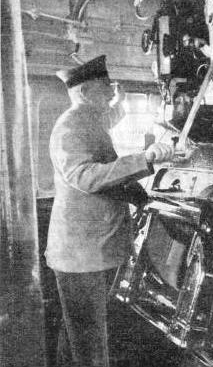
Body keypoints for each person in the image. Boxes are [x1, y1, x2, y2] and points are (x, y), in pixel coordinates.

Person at [46, 55, 174, 367]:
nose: (111, 92)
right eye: (106, 87)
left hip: (88, 252)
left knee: (77, 332)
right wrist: (147, 157)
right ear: (84, 93)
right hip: (80, 256)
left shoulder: (88, 119)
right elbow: (87, 176)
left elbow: (111, 119)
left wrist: (121, 102)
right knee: (89, 340)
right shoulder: (71, 127)